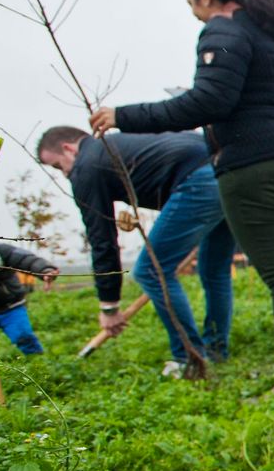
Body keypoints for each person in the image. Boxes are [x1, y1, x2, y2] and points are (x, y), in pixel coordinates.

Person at [89, 0, 274, 398]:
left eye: (191, 2)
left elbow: (208, 101)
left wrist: (123, 116)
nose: (193, 12)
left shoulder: (224, 29)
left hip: (259, 170)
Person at [37, 127, 236, 376]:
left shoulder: (86, 166)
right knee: (214, 270)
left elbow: (102, 240)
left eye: (59, 166)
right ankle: (215, 351)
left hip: (197, 181)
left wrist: (109, 306)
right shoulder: (119, 144)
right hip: (230, 172)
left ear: (68, 149)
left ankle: (189, 358)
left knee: (150, 271)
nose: (65, 174)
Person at [0, 237, 58, 364]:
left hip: (12, 308)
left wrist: (44, 270)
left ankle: (38, 365)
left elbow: (24, 259)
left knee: (24, 337)